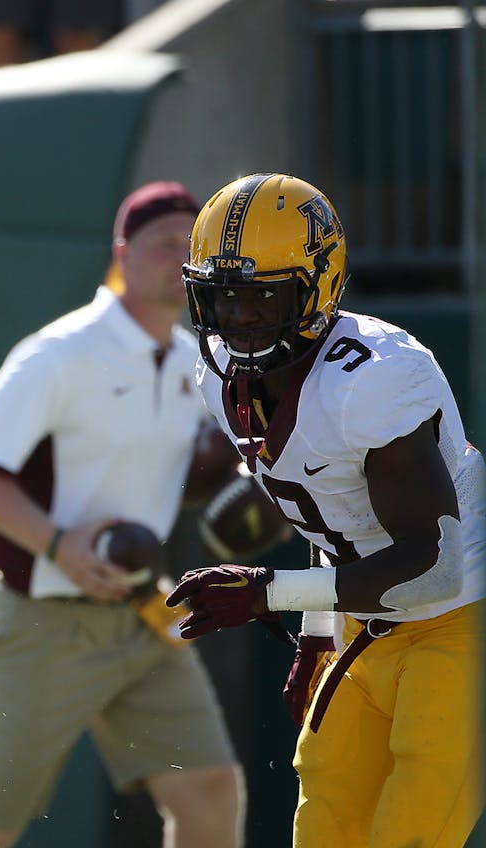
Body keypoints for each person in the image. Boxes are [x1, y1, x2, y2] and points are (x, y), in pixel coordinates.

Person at [167, 172, 485, 847]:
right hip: (365, 622)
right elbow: (332, 511)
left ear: (319, 286)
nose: (240, 320)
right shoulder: (219, 373)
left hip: (462, 620)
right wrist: (316, 631)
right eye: (223, 298)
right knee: (325, 822)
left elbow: (435, 566)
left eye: (262, 299)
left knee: (411, 834)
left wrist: (269, 593)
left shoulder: (373, 378)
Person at [0, 182, 245, 848]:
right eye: (163, 243)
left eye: (192, 247)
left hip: (143, 612)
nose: (178, 260)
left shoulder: (201, 360)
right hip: (44, 622)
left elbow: (199, 470)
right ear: (120, 254)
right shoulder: (63, 351)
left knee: (212, 793)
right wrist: (58, 543)